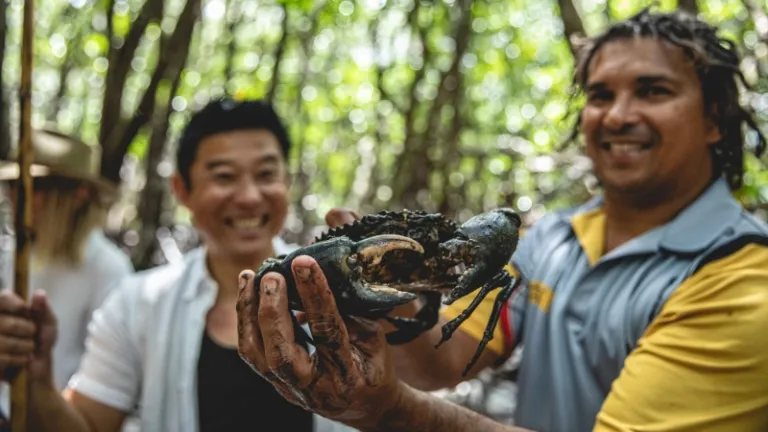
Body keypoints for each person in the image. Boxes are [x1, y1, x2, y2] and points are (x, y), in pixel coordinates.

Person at [236, 9, 768, 432]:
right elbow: (447, 361)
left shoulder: (744, 279)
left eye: (653, 90)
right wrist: (397, 299)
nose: (618, 114)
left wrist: (389, 411)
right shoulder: (556, 240)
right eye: (601, 95)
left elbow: (416, 393)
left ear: (715, 120)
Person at [0, 99, 352, 431]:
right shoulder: (138, 305)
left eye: (266, 174)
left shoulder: (340, 291)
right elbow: (88, 425)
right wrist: (36, 378)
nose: (248, 197)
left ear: (286, 182)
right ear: (183, 189)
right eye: (224, 176)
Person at [0, 129, 134, 412]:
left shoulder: (108, 269)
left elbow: (108, 382)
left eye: (33, 186)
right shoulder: (13, 254)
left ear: (79, 195)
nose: (14, 196)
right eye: (12, 185)